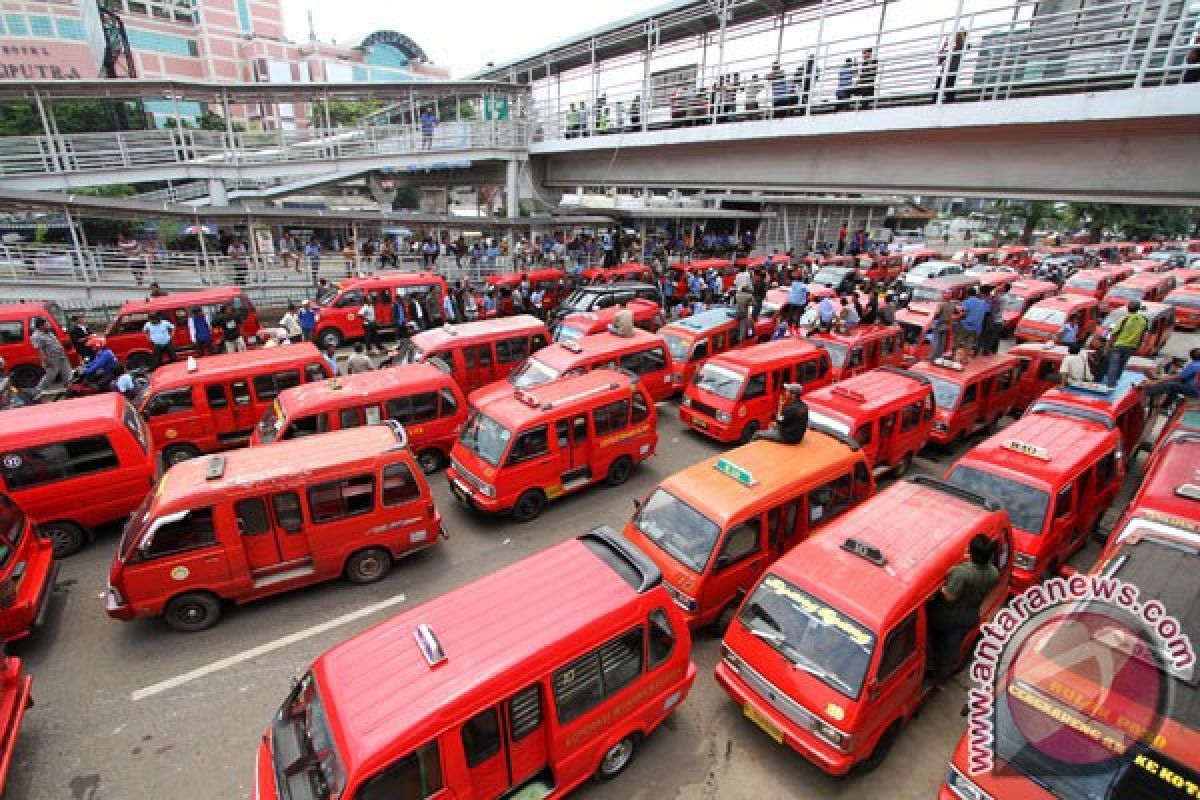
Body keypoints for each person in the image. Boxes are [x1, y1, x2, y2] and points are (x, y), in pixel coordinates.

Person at [929, 534, 998, 688]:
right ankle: (941, 680)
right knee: (951, 649)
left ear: (971, 552)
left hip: (948, 617)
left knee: (936, 641)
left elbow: (949, 596)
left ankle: (932, 670)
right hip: (970, 616)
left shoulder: (962, 573)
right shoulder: (993, 572)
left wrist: (940, 588)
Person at [1104, 301, 1147, 386]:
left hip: (1118, 345)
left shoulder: (1124, 318)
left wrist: (1107, 347)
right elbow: (1142, 335)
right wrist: (1138, 347)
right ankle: (1115, 380)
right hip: (1131, 347)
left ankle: (1111, 384)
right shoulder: (1143, 320)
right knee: (1121, 364)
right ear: (1138, 309)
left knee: (1114, 364)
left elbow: (1114, 333)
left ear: (1128, 308)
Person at [31, 318, 71, 399]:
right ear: (41, 325)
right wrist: (46, 361)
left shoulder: (49, 332)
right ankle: (37, 391)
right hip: (51, 359)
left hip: (61, 356)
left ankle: (70, 388)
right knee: (50, 375)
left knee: (67, 373)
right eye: (46, 323)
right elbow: (40, 350)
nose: (48, 325)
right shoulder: (36, 336)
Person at [958, 288, 989, 357]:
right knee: (969, 343)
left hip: (966, 325)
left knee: (958, 341)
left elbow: (963, 313)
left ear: (967, 294)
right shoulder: (983, 303)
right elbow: (987, 312)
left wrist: (958, 317)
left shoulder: (967, 301)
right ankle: (964, 358)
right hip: (977, 328)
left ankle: (952, 356)